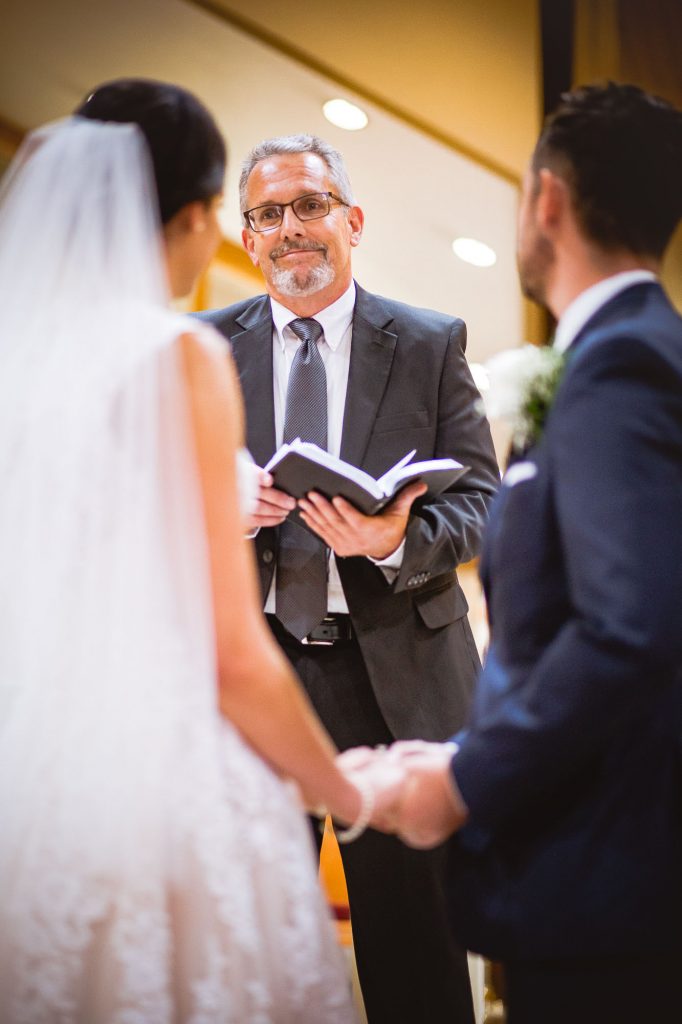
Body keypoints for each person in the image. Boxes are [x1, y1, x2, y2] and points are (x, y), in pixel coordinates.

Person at [0, 78, 403, 1023]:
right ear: (190, 217)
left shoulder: (17, 368)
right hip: (152, 769)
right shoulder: (174, 356)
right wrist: (353, 794)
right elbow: (228, 655)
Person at [355, 82, 682, 1024]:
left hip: (608, 878)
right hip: (591, 858)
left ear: (547, 199)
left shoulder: (624, 367)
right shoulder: (626, 356)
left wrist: (463, 781)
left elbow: (630, 632)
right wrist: (471, 746)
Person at [196, 133, 499, 1023]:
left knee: (417, 953)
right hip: (254, 680)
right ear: (247, 238)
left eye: (310, 206)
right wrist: (220, 507)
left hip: (399, 679)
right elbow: (153, 498)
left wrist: (388, 540)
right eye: (268, 214)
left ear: (351, 220)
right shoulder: (203, 347)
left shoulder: (431, 340)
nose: (291, 228)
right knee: (256, 950)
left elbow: (480, 498)